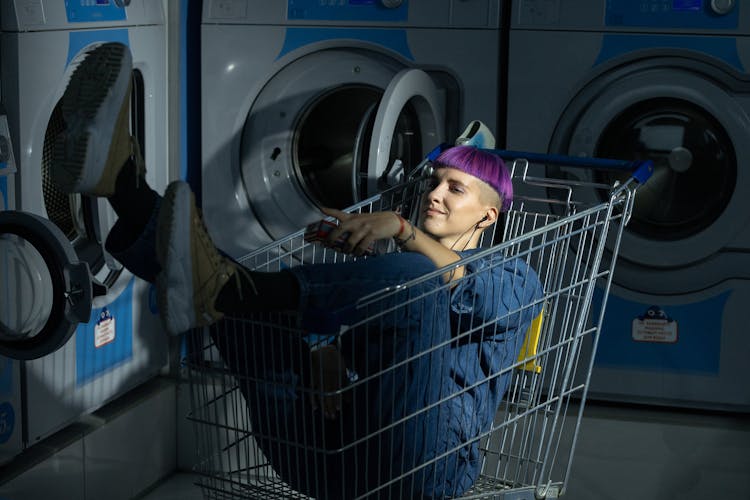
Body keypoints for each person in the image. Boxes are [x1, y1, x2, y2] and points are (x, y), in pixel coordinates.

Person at [52, 42, 544, 499]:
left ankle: (199, 260)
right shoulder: (394, 273)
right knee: (257, 313)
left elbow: (460, 285)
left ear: (488, 215)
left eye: (455, 188)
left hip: (427, 467)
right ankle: (122, 185)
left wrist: (398, 227)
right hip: (324, 456)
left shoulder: (518, 278)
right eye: (434, 181)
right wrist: (323, 351)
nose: (434, 194)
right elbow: (361, 351)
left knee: (411, 277)